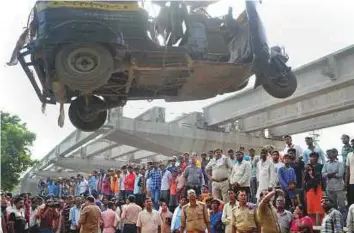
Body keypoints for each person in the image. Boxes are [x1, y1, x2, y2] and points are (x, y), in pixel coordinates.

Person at [304, 152, 324, 224]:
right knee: (310, 208)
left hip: (318, 188)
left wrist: (312, 174)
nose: (313, 158)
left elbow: (321, 178)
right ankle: (312, 225)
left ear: (317, 158)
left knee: (319, 208)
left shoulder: (321, 166)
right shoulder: (307, 166)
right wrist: (307, 171)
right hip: (310, 189)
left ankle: (321, 224)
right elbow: (305, 179)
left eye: (314, 157)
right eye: (311, 157)